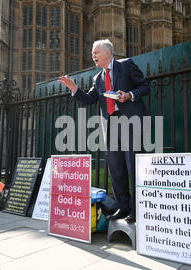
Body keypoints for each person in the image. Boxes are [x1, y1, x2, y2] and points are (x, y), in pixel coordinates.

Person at [58, 39, 150, 223]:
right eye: (93, 53)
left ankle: (137, 209)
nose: (93, 56)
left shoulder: (126, 65)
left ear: (107, 53)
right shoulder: (97, 78)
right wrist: (74, 88)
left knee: (133, 166)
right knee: (116, 169)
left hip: (130, 122)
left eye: (96, 52)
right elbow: (90, 99)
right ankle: (122, 207)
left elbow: (145, 86)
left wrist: (129, 95)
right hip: (111, 125)